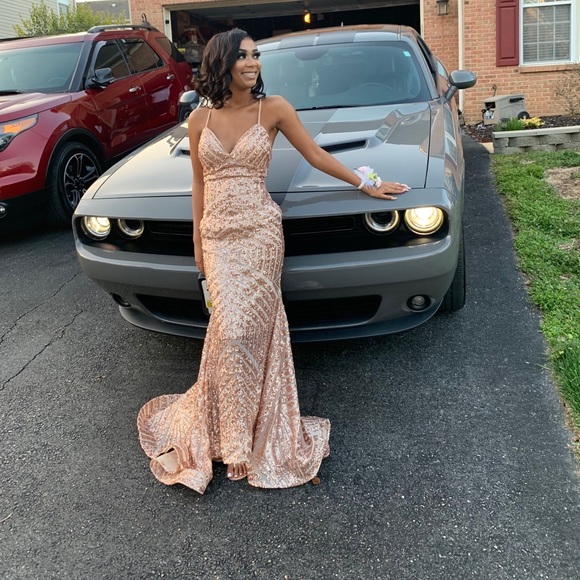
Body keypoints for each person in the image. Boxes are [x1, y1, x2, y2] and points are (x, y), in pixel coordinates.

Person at [137, 29, 409, 494]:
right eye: (243, 56)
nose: (253, 63)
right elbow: (199, 183)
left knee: (244, 330)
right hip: (218, 237)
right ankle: (225, 428)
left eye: (256, 55)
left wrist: (368, 183)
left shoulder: (274, 109)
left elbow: (316, 155)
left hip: (260, 234)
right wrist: (198, 243)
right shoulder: (199, 119)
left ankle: (242, 440)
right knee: (228, 329)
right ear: (222, 63)